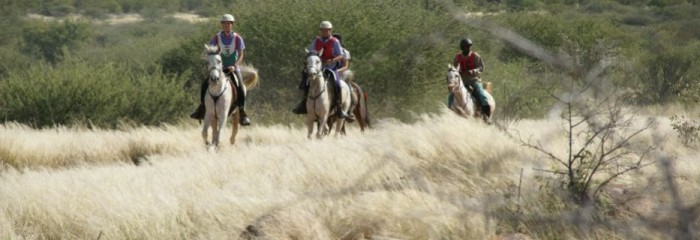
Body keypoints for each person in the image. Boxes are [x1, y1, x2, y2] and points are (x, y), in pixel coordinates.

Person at [190, 13, 251, 126]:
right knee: (204, 84)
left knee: (241, 87)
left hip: (233, 68)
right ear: (222, 25)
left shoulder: (237, 38)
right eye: (225, 23)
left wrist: (235, 65)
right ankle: (201, 108)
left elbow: (241, 54)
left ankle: (242, 112)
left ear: (232, 25)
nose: (227, 25)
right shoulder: (217, 38)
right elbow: (211, 51)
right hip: (219, 69)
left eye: (229, 23)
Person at [292, 21, 348, 119]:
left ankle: (339, 108)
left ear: (330, 30)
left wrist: (332, 60)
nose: (324, 32)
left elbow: (341, 55)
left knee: (337, 84)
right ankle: (303, 103)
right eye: (322, 30)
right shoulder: (316, 41)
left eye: (326, 30)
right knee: (306, 80)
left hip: (331, 68)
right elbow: (310, 52)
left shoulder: (335, 41)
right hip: (318, 68)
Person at [453, 38, 490, 118]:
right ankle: (450, 112)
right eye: (466, 47)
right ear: (462, 48)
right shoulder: (457, 57)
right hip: (462, 82)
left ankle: (486, 116)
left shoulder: (475, 56)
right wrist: (457, 71)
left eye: (469, 46)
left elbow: (481, 67)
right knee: (451, 96)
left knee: (481, 94)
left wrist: (473, 71)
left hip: (474, 80)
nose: (468, 48)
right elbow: (454, 69)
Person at [332, 33, 355, 120]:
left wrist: (337, 71)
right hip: (330, 72)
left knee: (348, 87)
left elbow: (346, 66)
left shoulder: (345, 52)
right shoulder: (328, 51)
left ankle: (350, 109)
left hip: (341, 73)